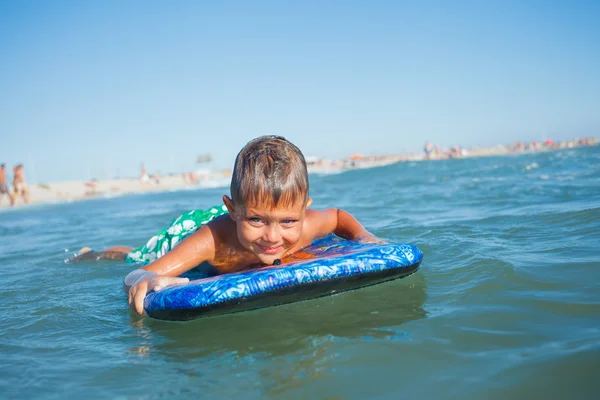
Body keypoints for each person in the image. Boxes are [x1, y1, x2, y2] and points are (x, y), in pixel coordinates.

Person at [72, 136, 382, 316]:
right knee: (137, 255)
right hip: (191, 229)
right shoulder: (211, 241)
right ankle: (95, 252)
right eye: (257, 220)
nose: (273, 236)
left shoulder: (306, 225)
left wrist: (363, 235)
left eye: (288, 221)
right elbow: (138, 274)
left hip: (239, 218)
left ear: (303, 211)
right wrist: (145, 279)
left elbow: (339, 216)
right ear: (233, 210)